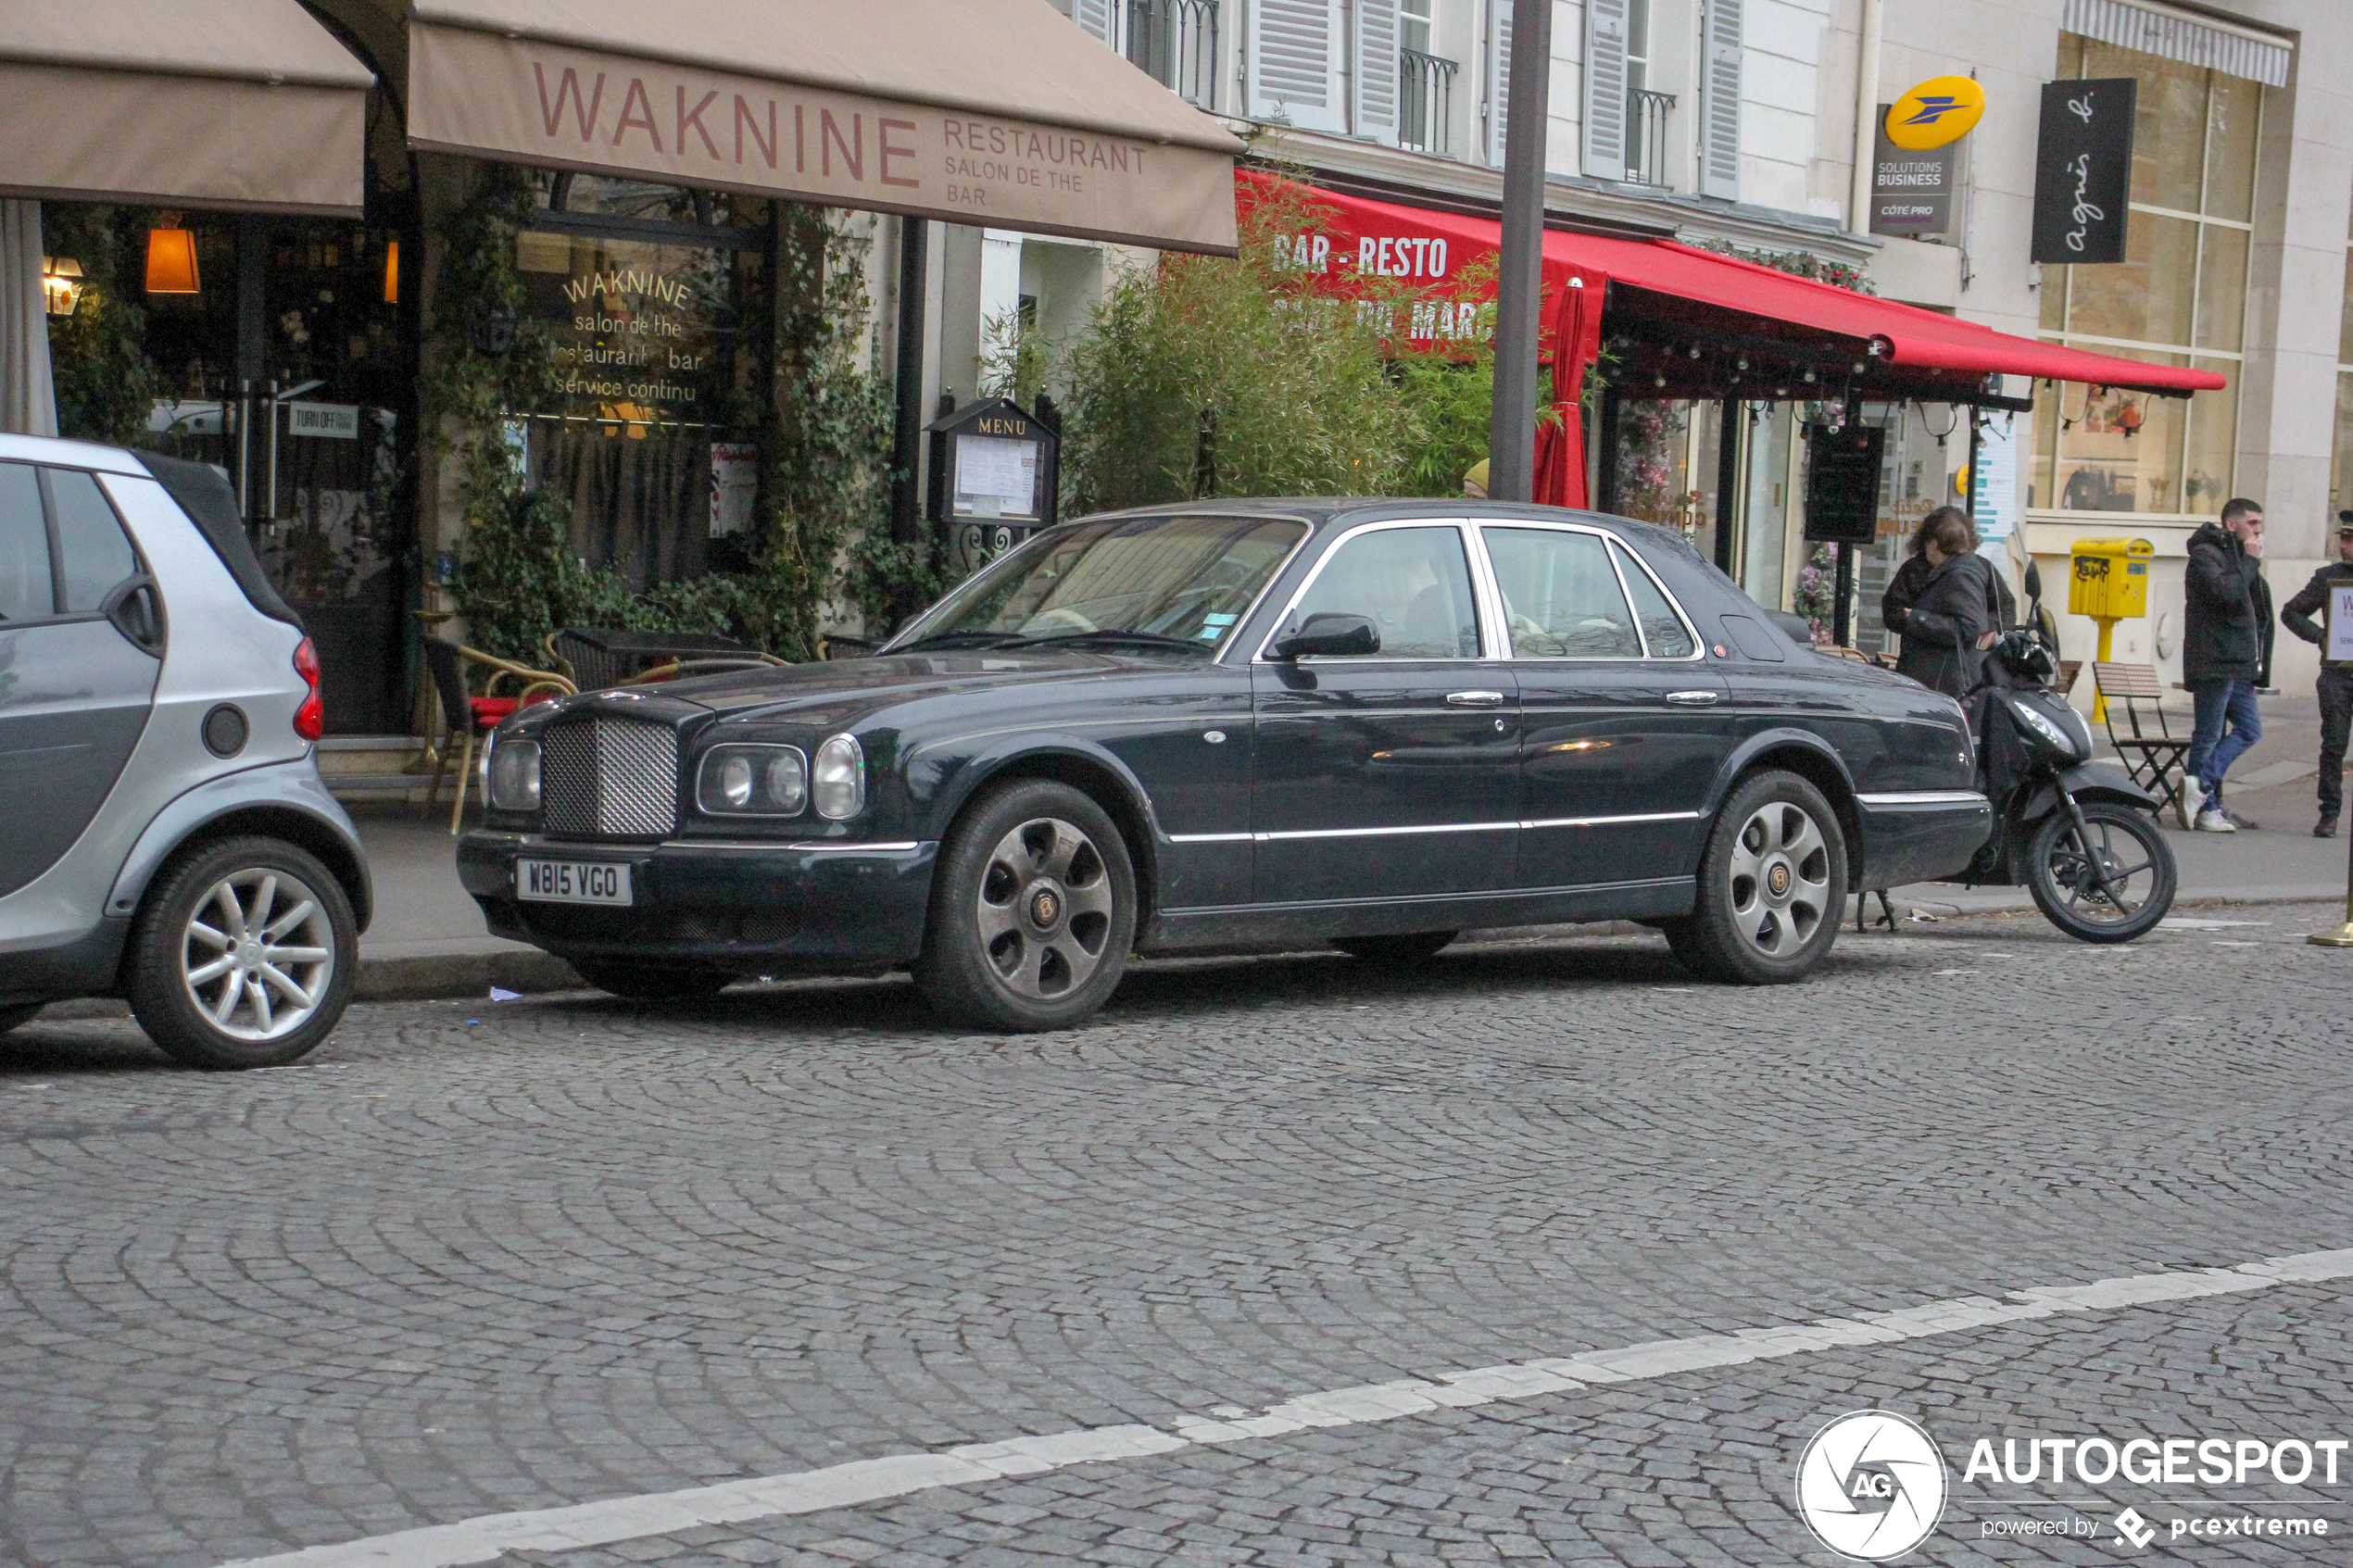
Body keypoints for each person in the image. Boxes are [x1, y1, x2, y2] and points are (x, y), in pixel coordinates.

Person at [2181, 497, 2274, 833]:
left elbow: (2256, 608)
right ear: (2232, 524)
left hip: (2239, 661)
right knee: (2208, 735)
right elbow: (2227, 594)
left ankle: (2201, 787)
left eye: (2260, 524)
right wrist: (2250, 561)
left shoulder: (2238, 556)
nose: (2258, 531)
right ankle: (2207, 809)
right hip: (2214, 658)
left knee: (2250, 729)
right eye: (2252, 523)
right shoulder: (2205, 555)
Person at [2280, 511, 2353, 837]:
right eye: (2343, 539)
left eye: (2351, 540)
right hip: (2338, 673)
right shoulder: (2328, 577)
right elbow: (2291, 611)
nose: (2345, 546)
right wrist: (2322, 637)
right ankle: (2329, 813)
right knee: (2334, 744)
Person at [1881, 507, 1997, 697]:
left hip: (1944, 683)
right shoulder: (1951, 569)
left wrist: (1917, 618)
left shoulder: (1961, 574)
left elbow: (1969, 626)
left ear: (1933, 544)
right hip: (1938, 679)